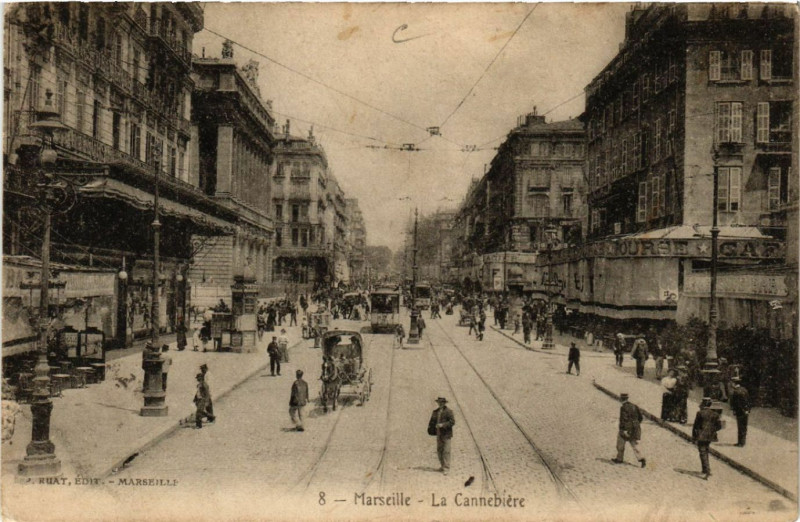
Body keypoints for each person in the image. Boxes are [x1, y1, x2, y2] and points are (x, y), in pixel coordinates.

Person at [612, 393, 646, 467]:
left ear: (621, 399)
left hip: (626, 429)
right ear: (627, 398)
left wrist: (623, 429)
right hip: (635, 428)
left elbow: (623, 419)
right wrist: (635, 424)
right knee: (635, 445)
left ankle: (619, 459)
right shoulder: (634, 406)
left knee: (620, 444)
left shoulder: (623, 408)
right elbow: (640, 418)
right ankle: (641, 459)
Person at [692, 397, 722, 479]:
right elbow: (719, 426)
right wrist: (712, 430)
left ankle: (707, 470)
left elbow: (695, 426)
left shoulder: (700, 413)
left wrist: (694, 437)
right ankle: (705, 469)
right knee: (706, 450)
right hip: (710, 436)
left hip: (701, 436)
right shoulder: (715, 414)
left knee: (702, 452)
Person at [428, 397, 455, 475]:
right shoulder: (435, 412)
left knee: (446, 451)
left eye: (442, 403)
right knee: (439, 450)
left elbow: (452, 422)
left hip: (446, 434)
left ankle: (446, 468)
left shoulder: (449, 411)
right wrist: (432, 429)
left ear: (444, 403)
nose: (440, 404)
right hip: (438, 434)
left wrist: (443, 425)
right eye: (439, 403)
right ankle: (442, 466)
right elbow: (432, 421)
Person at [730, 378, 750, 447]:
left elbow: (736, 403)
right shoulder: (744, 390)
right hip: (746, 411)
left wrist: (734, 410)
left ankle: (740, 443)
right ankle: (743, 442)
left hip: (740, 412)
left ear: (734, 383)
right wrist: (747, 410)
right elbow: (748, 400)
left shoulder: (736, 392)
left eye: (732, 383)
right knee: (744, 427)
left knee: (740, 427)